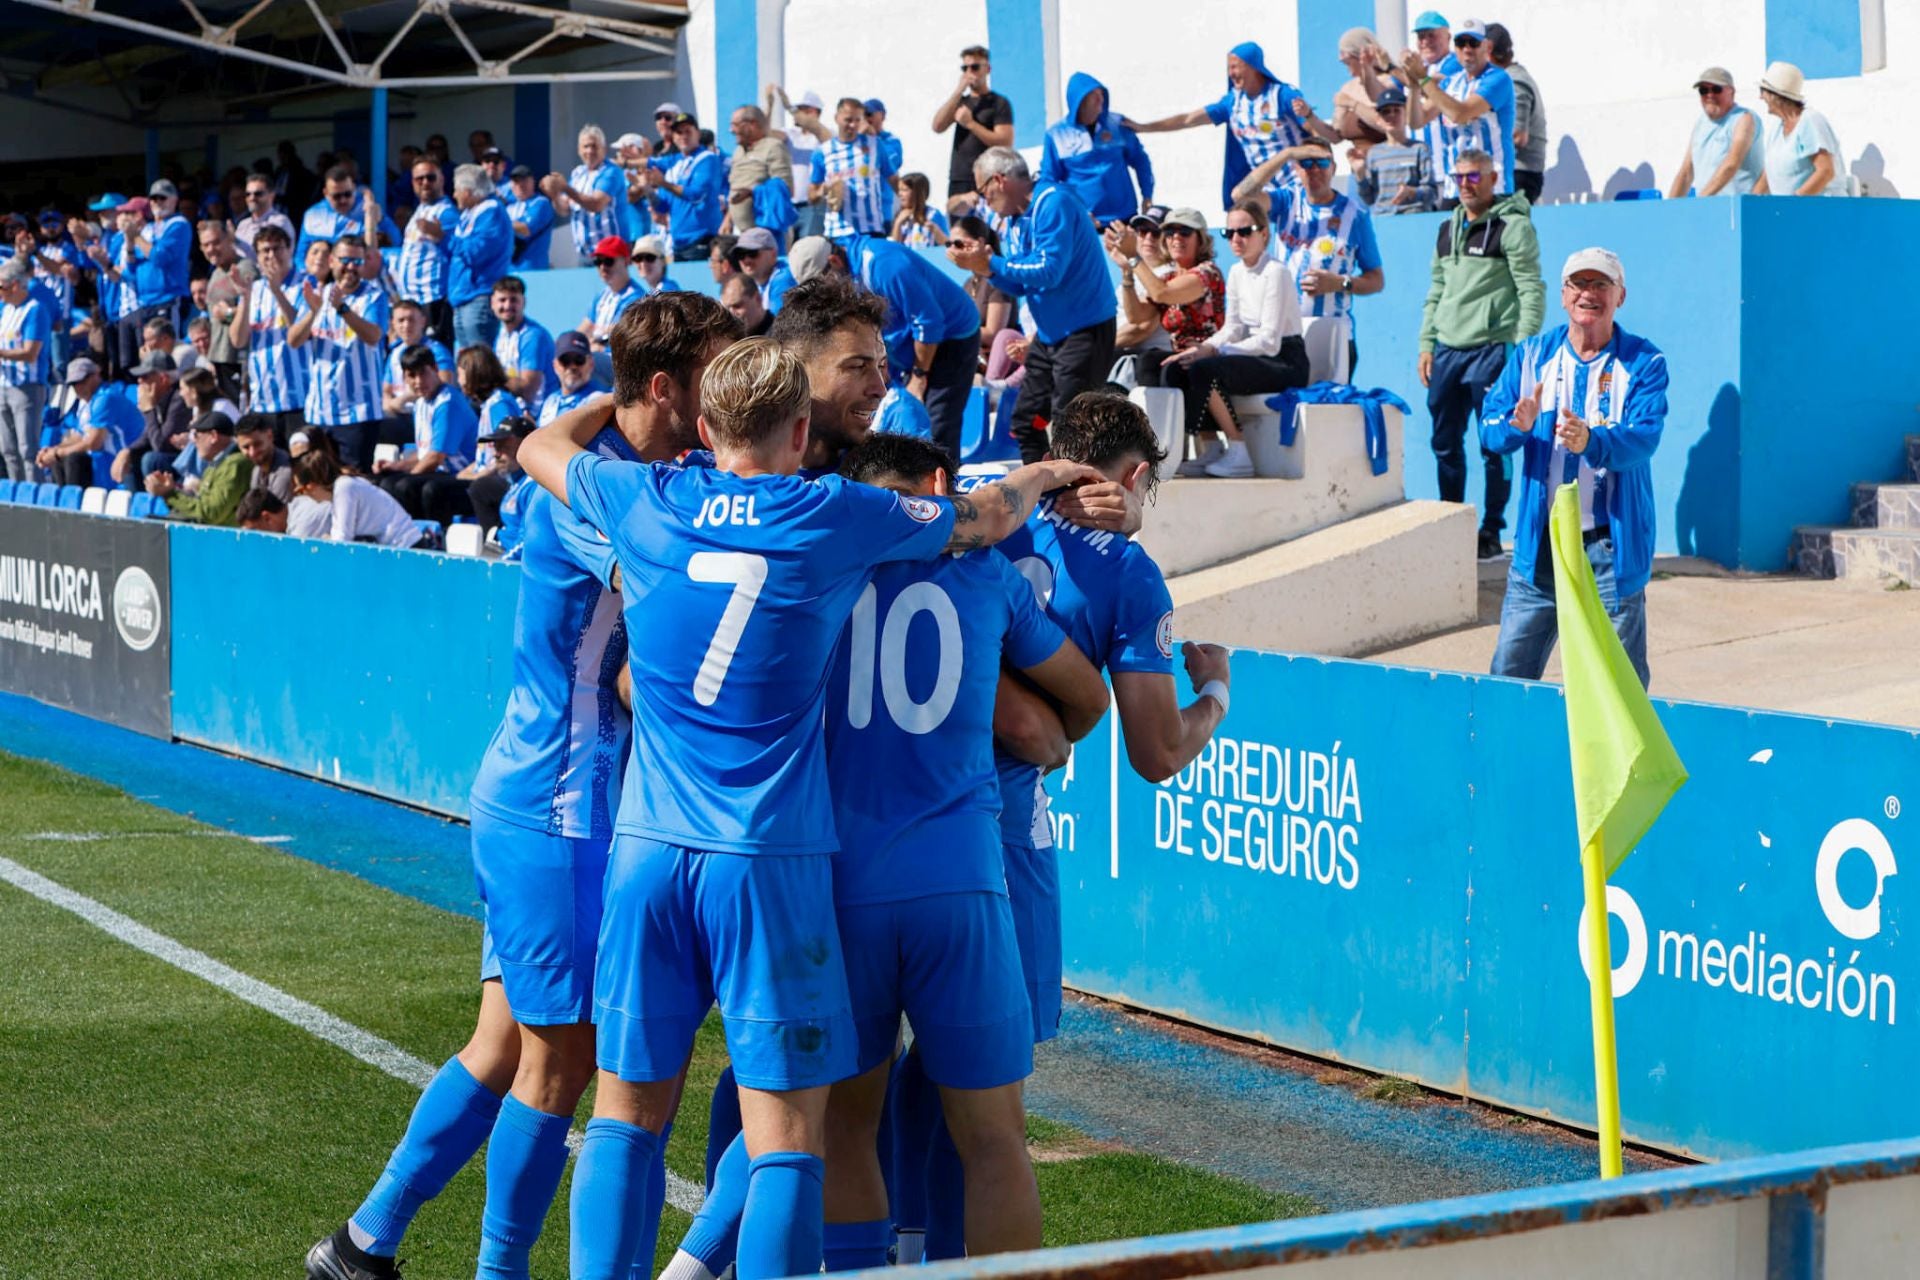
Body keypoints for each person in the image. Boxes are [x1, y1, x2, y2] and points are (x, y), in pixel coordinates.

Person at [516, 332, 1098, 1280]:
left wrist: (611, 402)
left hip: (650, 850)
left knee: (623, 1118)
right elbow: (982, 519)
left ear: (705, 425)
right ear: (798, 431)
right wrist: (1040, 474)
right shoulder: (835, 513)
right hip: (769, 858)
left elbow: (540, 445)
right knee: (788, 1133)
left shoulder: (644, 497)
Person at [307, 296, 744, 1280]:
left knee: (502, 1044)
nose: (726, 398)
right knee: (562, 1062)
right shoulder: (600, 496)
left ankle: (362, 1241)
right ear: (666, 388)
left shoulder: (605, 469)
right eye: (713, 377)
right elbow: (653, 640)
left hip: (543, 791)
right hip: (561, 807)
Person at [820, 433, 1110, 1263]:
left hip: (845, 883)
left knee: (846, 1125)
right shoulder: (984, 574)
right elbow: (1084, 704)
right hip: (961, 881)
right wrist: (1044, 732)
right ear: (940, 485)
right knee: (995, 1142)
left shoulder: (819, 570)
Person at [1481, 248, 1666, 688]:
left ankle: (1625, 761)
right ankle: (1507, 756)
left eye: (1601, 284)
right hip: (1540, 547)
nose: (1589, 294)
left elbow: (1644, 438)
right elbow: (1489, 430)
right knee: (1508, 678)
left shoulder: (1644, 362)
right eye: (1579, 284)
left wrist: (1593, 441)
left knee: (1619, 688)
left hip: (1610, 549)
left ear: (1621, 295)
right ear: (1563, 296)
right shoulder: (1530, 356)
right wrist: (1515, 427)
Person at [948, 148, 1116, 464]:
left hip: (1085, 331)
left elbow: (1049, 272)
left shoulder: (1053, 202)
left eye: (984, 191)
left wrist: (991, 262)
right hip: (1050, 337)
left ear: (999, 180)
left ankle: (1079, 500)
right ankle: (1046, 494)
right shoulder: (1011, 222)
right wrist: (986, 269)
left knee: (1072, 424)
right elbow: (1022, 284)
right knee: (1026, 421)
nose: (985, 201)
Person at [1419, 147, 1544, 561]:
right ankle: (1453, 522)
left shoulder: (1513, 226)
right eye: (1460, 178)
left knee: (1495, 443)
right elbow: (1436, 291)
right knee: (1444, 442)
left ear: (1493, 179)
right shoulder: (1445, 227)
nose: (1466, 185)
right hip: (1447, 350)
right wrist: (1426, 344)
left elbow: (1531, 288)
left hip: (1492, 349)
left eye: (1475, 177)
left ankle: (1491, 530)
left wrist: (1523, 350)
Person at [794, 234, 980, 459]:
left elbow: (929, 322)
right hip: (910, 335)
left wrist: (918, 377)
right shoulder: (847, 266)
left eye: (821, 284)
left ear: (834, 261)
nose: (822, 293)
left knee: (937, 419)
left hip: (953, 333)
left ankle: (943, 486)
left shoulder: (885, 266)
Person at [1157, 201, 1308, 478]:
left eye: (1245, 231)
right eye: (1230, 233)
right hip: (1254, 353)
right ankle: (1211, 447)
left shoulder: (1276, 272)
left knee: (1206, 368)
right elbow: (1234, 326)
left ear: (1264, 233)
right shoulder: (1237, 271)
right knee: (1181, 366)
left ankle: (1239, 452)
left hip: (1285, 360)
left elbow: (1269, 341)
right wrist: (1205, 347)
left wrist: (1216, 352)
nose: (1237, 239)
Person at [1238, 140, 1385, 384]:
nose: (1314, 169)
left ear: (1334, 168)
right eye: (1306, 162)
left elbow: (1376, 280)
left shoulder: (1355, 215)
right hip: (1283, 335)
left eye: (1322, 162)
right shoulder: (1286, 202)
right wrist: (1286, 154)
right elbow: (1241, 195)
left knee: (1326, 414)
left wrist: (1339, 283)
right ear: (1296, 169)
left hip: (1333, 337)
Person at [1128, 42, 1337, 207]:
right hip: (1266, 192)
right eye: (1229, 67)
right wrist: (1144, 127)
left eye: (1236, 66)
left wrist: (1310, 118)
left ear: (1253, 67)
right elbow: (1188, 120)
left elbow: (1317, 137)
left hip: (1299, 185)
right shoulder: (1232, 102)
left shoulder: (1281, 95)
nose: (1231, 73)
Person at [288, 237, 391, 469]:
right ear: (332, 261)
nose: (351, 267)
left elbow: (373, 336)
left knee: (353, 483)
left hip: (358, 412)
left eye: (357, 261)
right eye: (345, 260)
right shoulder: (315, 295)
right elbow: (294, 340)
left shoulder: (374, 297)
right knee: (319, 480)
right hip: (319, 411)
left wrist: (342, 309)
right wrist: (313, 312)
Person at [1401, 18, 1515, 202]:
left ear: (1486, 47)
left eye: (1474, 43)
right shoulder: (1450, 82)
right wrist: (1414, 84)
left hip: (1492, 186)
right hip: (1455, 187)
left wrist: (1423, 79)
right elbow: (1416, 121)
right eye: (1461, 43)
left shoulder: (1498, 79)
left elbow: (1460, 114)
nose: (1467, 49)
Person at [1117, 206, 1226, 382]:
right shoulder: (1169, 277)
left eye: (1184, 232)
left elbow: (1162, 294)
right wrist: (1127, 272)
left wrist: (1133, 257)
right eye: (1169, 232)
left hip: (1205, 359)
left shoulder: (1207, 272)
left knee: (1150, 362)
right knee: (1128, 360)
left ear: (1200, 239)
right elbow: (1136, 317)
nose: (1176, 238)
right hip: (1180, 359)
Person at [374, 343, 479, 523]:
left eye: (423, 373)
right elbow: (425, 454)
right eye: (411, 376)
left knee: (407, 486)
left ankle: (431, 539)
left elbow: (436, 457)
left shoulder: (447, 402)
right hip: (439, 473)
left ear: (435, 369)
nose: (418, 381)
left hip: (464, 476)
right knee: (384, 482)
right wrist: (397, 466)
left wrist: (408, 476)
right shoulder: (421, 403)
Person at [1039, 73, 1154, 226]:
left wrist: (1147, 195)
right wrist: (1065, 211)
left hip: (1125, 217)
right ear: (1079, 102)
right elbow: (1049, 180)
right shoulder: (1056, 135)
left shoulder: (1118, 124)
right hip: (1087, 222)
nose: (1101, 100)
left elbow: (1140, 160)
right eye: (1094, 96)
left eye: (1101, 94)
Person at [233, 223, 308, 442]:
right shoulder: (253, 290)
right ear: (257, 257)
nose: (271, 255)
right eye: (265, 250)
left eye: (277, 248)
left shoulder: (306, 284)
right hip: (263, 399)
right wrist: (245, 299)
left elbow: (301, 329)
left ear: (289, 250)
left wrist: (276, 289)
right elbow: (238, 340)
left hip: (299, 399)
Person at [117, 180, 195, 374]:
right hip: (145, 303)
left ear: (174, 200)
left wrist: (137, 238)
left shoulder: (178, 224)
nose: (157, 202)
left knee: (167, 356)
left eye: (163, 198)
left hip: (168, 300)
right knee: (149, 359)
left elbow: (160, 257)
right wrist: (129, 242)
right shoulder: (147, 229)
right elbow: (130, 270)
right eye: (153, 198)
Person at [933, 47, 1015, 214]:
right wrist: (958, 91)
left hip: (989, 178)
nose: (970, 72)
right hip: (960, 178)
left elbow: (1005, 141)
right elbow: (937, 126)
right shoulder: (960, 102)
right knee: (959, 232)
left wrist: (971, 124)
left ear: (987, 69)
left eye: (975, 67)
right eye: (965, 68)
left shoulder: (999, 103)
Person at [290, 446, 424, 548]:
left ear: (312, 485)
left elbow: (342, 540)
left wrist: (327, 539)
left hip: (405, 547)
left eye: (301, 490)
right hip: (394, 548)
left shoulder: (344, 488)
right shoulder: (341, 488)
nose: (303, 495)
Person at [37, 357, 139, 487]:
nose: (77, 387)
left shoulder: (105, 398)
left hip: (122, 461)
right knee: (62, 459)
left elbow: (93, 443)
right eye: (73, 384)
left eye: (82, 381)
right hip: (105, 461)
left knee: (73, 459)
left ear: (95, 376)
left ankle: (74, 505)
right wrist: (53, 450)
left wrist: (58, 453)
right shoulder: (85, 403)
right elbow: (79, 436)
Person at [1755, 61, 1848, 197]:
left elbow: (1826, 171)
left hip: (1819, 210)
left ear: (1776, 96)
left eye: (1762, 91)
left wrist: (1794, 203)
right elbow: (1769, 173)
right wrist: (1752, 198)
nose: (1760, 97)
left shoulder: (1810, 121)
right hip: (1788, 211)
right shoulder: (1777, 127)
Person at [445, 164, 513, 351]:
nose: (454, 195)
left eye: (457, 190)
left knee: (480, 363)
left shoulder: (491, 211)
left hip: (478, 294)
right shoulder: (469, 214)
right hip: (462, 296)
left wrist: (446, 238)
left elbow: (476, 252)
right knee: (468, 364)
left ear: (468, 191)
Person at [813, 98, 900, 241]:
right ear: (837, 118)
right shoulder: (823, 152)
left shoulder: (875, 145)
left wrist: (912, 207)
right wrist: (825, 189)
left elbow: (893, 179)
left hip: (871, 229)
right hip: (837, 232)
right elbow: (811, 194)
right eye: (848, 120)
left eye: (857, 120)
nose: (853, 125)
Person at [1668, 67, 1763, 198]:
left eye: (1716, 89)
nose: (1710, 95)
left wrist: (1702, 200)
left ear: (1731, 91)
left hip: (1739, 210)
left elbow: (1731, 164)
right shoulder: (1701, 123)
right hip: (1710, 209)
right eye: (1703, 90)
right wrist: (1668, 210)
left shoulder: (1744, 119)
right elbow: (1686, 172)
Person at [145, 410, 252, 525]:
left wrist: (170, 494)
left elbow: (210, 514)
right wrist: (172, 489)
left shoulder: (234, 465)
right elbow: (201, 505)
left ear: (213, 436)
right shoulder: (216, 464)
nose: (193, 441)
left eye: (196, 435)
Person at [395, 159, 458, 346]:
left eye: (430, 177)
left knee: (434, 356)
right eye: (418, 179)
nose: (424, 183)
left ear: (442, 179)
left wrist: (440, 234)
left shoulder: (447, 212)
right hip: (412, 298)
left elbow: (457, 250)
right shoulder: (420, 211)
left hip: (433, 298)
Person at [0, 256, 52, 482]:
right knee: (8, 450)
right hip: (4, 385)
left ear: (14, 285)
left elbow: (31, 353)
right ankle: (16, 498)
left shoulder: (35, 310)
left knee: (28, 449)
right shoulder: (6, 310)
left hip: (26, 387)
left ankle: (33, 498)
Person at [543, 126, 628, 262]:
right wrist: (554, 194)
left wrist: (564, 187)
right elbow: (565, 210)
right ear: (579, 150)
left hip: (611, 253)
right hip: (585, 254)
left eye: (594, 146)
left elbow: (596, 204)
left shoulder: (611, 172)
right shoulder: (577, 173)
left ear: (604, 149)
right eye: (586, 146)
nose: (590, 151)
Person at [294, 165, 398, 274]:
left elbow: (396, 241)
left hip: (358, 275)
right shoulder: (314, 214)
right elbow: (300, 256)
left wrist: (381, 220)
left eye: (347, 194)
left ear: (353, 188)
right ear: (326, 193)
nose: (343, 200)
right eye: (337, 196)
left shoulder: (366, 207)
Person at [1352, 83, 1437, 215]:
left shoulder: (1420, 149)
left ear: (1406, 115)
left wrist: (1412, 192)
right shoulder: (1374, 153)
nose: (1391, 115)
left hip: (1415, 217)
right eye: (1385, 112)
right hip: (1384, 219)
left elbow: (1433, 193)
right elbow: (1368, 198)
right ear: (1378, 119)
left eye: (1396, 110)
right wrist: (1360, 174)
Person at [651, 112, 724, 262]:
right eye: (679, 132)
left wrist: (664, 183)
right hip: (678, 242)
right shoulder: (675, 165)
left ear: (697, 133)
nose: (683, 136)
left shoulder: (707, 159)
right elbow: (662, 207)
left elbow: (697, 195)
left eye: (688, 131)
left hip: (702, 237)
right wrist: (646, 189)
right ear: (673, 137)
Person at [1486, 23, 1546, 202]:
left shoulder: (1514, 81)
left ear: (1488, 51)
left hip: (1518, 174)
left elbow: (1518, 136)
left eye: (1476, 47)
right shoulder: (1510, 78)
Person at [198, 220, 256, 395]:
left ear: (229, 239)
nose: (211, 249)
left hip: (239, 358)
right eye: (206, 245)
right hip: (219, 357)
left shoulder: (245, 268)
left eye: (216, 242)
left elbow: (258, 310)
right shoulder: (216, 273)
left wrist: (228, 313)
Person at [117, 350, 190, 484]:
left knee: (151, 460)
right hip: (170, 456)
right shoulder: (159, 397)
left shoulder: (180, 399)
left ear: (163, 379)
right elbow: (147, 437)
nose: (139, 381)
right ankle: (139, 504)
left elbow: (161, 445)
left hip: (185, 462)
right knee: (129, 460)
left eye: (145, 377)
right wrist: (127, 451)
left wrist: (149, 410)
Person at [768, 85, 830, 239]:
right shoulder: (790, 134)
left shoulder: (825, 135)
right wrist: (769, 106)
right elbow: (764, 133)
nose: (796, 115)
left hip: (812, 205)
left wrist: (789, 107)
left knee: (808, 248)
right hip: (788, 204)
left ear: (814, 112)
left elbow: (821, 134)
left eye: (802, 110)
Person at [724, 105, 793, 235]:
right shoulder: (738, 152)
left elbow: (785, 188)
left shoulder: (773, 147)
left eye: (735, 125)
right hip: (741, 231)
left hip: (767, 233)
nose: (731, 130)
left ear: (753, 124)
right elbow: (735, 190)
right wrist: (728, 220)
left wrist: (752, 190)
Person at [491, 276, 555, 414]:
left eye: (513, 300)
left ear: (523, 302)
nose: (507, 306)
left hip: (540, 416)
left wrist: (489, 379)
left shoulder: (532, 335)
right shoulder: (501, 334)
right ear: (492, 303)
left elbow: (528, 390)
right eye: (502, 300)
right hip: (517, 412)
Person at [1332, 28, 1395, 147]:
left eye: (1347, 60)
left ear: (1359, 55)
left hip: (1387, 160)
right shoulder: (1347, 89)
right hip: (1359, 163)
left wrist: (1352, 104)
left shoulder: (1389, 83)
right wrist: (1309, 116)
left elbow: (1389, 125)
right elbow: (1336, 136)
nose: (1341, 59)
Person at [579, 236, 644, 350]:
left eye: (608, 261)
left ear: (626, 261)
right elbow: (585, 329)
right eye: (598, 262)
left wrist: (596, 337)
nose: (602, 267)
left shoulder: (636, 297)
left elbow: (618, 333)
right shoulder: (602, 296)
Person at [537, 330, 604, 425]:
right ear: (555, 366)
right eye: (565, 360)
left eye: (579, 360)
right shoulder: (550, 401)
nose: (572, 366)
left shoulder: (599, 400)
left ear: (591, 363)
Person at [505, 165, 556, 271]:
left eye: (524, 180)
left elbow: (526, 229)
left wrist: (499, 222)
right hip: (509, 267)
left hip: (532, 267)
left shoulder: (541, 203)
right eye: (516, 182)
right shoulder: (508, 205)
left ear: (532, 181)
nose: (520, 185)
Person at [234, 174, 295, 261]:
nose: (252, 198)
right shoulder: (243, 224)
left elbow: (267, 257)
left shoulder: (280, 222)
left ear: (271, 196)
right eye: (248, 194)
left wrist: (236, 241)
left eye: (258, 194)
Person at [732, 227, 793, 313]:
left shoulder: (782, 280)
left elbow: (778, 323)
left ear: (773, 254)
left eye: (752, 253)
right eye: (740, 254)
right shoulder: (756, 283)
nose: (746, 260)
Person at [235, 412, 294, 501]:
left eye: (257, 444)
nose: (252, 453)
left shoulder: (286, 472)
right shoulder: (256, 470)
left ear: (270, 436)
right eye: (246, 447)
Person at [890, 173, 949, 248]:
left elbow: (947, 245)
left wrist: (934, 230)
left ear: (917, 193)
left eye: (905, 190)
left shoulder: (933, 215)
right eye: (899, 190)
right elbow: (895, 247)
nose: (900, 194)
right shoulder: (900, 216)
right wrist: (898, 223)